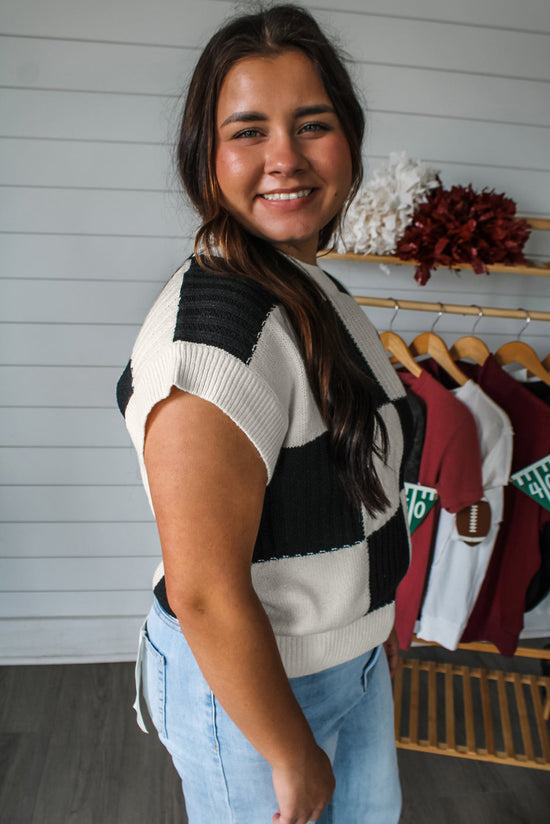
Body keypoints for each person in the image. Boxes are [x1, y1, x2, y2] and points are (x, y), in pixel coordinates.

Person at [117, 5, 412, 823]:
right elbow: (206, 591)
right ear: (206, 158)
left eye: (311, 125)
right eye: (248, 131)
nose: (285, 157)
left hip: (340, 663)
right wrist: (288, 750)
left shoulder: (304, 286)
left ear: (348, 140)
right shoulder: (214, 344)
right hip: (257, 692)